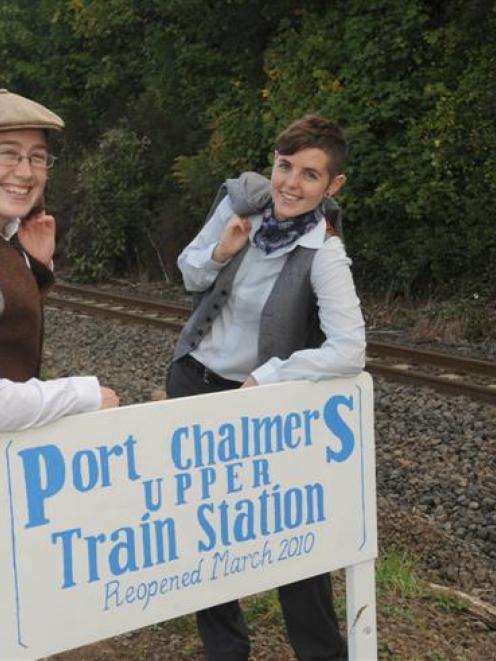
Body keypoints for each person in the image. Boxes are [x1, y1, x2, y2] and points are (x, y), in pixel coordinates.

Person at [166, 114, 365, 661]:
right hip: (194, 381)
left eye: (309, 175)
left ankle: (321, 652)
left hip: (264, 406)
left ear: (332, 186)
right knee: (208, 529)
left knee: (288, 528)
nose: (290, 184)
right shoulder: (240, 204)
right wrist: (224, 250)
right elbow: (189, 274)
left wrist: (268, 376)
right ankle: (224, 651)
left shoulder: (323, 252)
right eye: (285, 166)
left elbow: (350, 349)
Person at [0, 88, 118, 432]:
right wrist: (82, 395)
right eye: (8, 154)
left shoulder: (9, 237)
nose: (26, 172)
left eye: (37, 157)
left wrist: (35, 270)